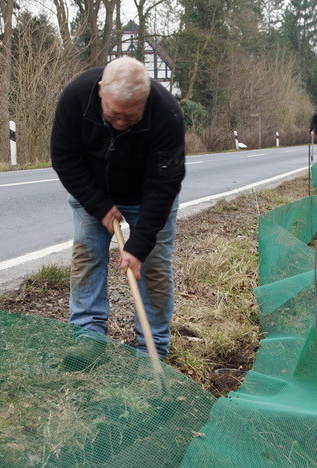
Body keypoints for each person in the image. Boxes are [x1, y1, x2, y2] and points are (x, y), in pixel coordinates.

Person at [50, 56, 186, 361]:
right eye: (114, 114)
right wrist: (98, 205)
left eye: (131, 116)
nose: (121, 122)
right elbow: (64, 158)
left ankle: (152, 350)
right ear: (100, 91)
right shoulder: (76, 97)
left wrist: (138, 247)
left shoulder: (167, 114)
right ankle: (88, 336)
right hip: (93, 190)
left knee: (153, 268)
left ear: (146, 99)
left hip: (147, 195)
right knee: (87, 256)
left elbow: (164, 185)